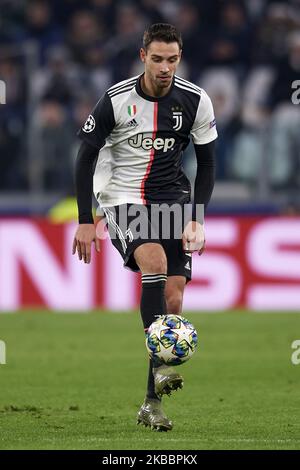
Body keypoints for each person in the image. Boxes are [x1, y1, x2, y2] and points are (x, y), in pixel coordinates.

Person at [72, 23, 217, 432]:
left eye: (172, 59)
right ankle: (161, 373)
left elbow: (206, 163)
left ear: (179, 57)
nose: (166, 67)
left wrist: (197, 218)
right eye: (157, 59)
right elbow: (85, 158)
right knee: (151, 259)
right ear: (142, 57)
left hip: (172, 199)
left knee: (173, 300)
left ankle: (151, 403)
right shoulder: (115, 101)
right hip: (123, 196)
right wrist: (86, 221)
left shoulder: (195, 100)